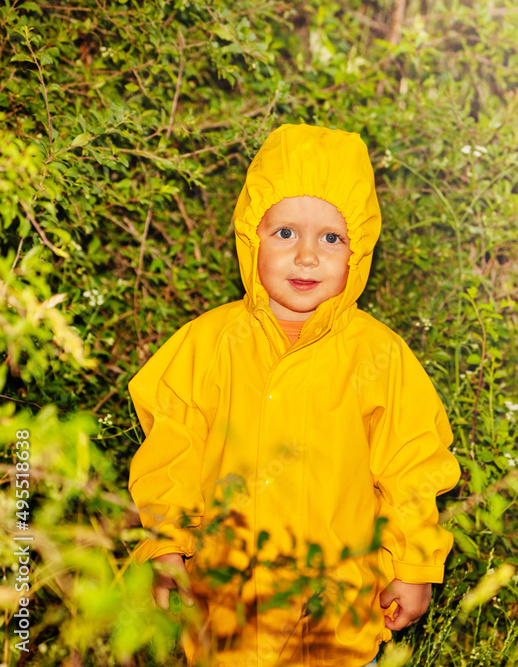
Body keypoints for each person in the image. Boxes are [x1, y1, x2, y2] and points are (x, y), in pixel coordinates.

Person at [127, 123, 461, 666]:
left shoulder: (378, 354)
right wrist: (167, 546)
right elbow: (171, 458)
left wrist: (414, 566)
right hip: (225, 623)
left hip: (340, 624)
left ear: (359, 250)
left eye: (331, 238)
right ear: (249, 236)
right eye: (285, 233)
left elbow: (413, 469)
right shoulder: (208, 344)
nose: (307, 255)